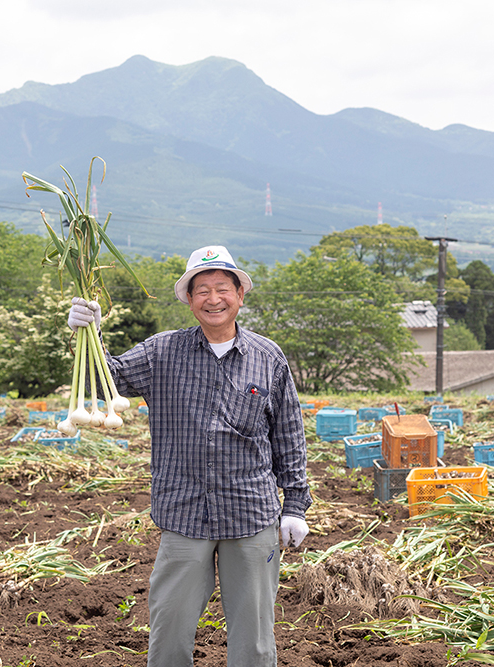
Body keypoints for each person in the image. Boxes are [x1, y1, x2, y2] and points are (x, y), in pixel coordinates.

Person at [68, 244, 311, 667]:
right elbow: (109, 377)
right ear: (189, 299)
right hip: (183, 513)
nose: (212, 298)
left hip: (251, 513)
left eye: (222, 288)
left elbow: (288, 434)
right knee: (169, 625)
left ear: (239, 294)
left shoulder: (268, 357)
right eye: (202, 290)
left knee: (254, 636)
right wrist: (87, 333)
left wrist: (295, 506)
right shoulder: (162, 351)